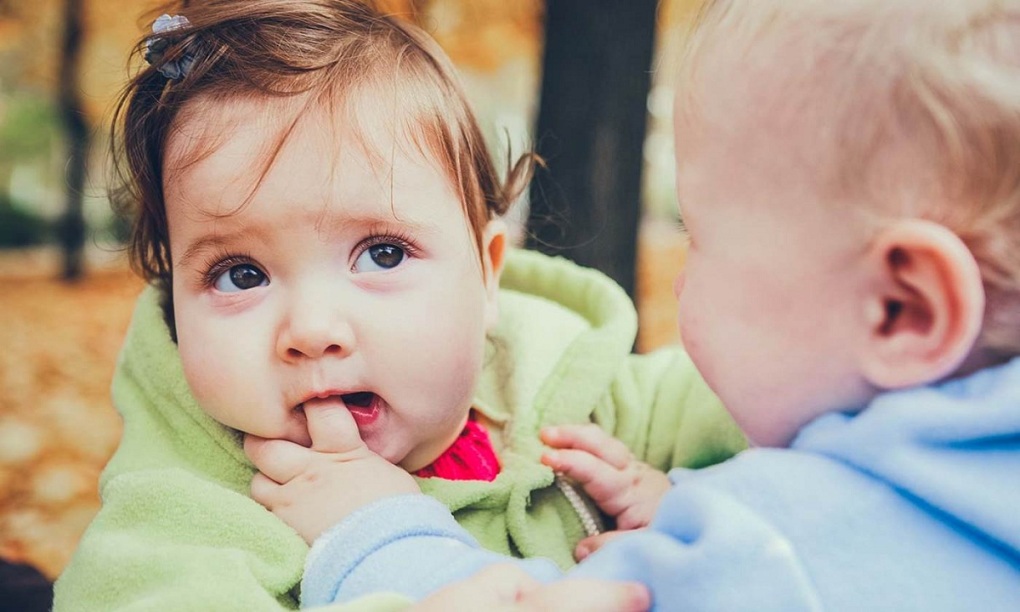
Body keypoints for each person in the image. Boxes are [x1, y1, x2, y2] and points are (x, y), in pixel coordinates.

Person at [257, 0, 1020, 609]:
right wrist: (690, 515)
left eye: (700, 237)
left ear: (901, 310)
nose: (681, 280)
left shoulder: (777, 553)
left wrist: (373, 531)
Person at [52, 1, 744, 609]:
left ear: (487, 276)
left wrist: (703, 511)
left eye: (382, 254)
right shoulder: (195, 513)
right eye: (240, 274)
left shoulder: (581, 402)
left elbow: (785, 405)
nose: (311, 330)